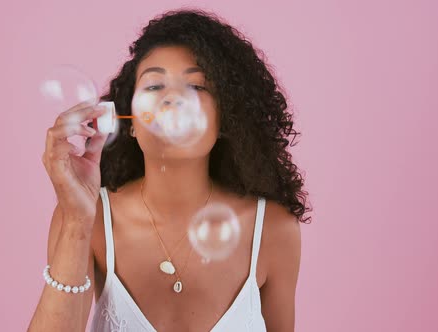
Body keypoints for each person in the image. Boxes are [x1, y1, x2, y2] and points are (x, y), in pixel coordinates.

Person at [28, 8, 310, 332]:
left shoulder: (273, 230)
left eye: (197, 87)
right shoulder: (87, 218)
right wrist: (77, 218)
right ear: (130, 123)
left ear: (225, 121)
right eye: (154, 86)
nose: (173, 99)